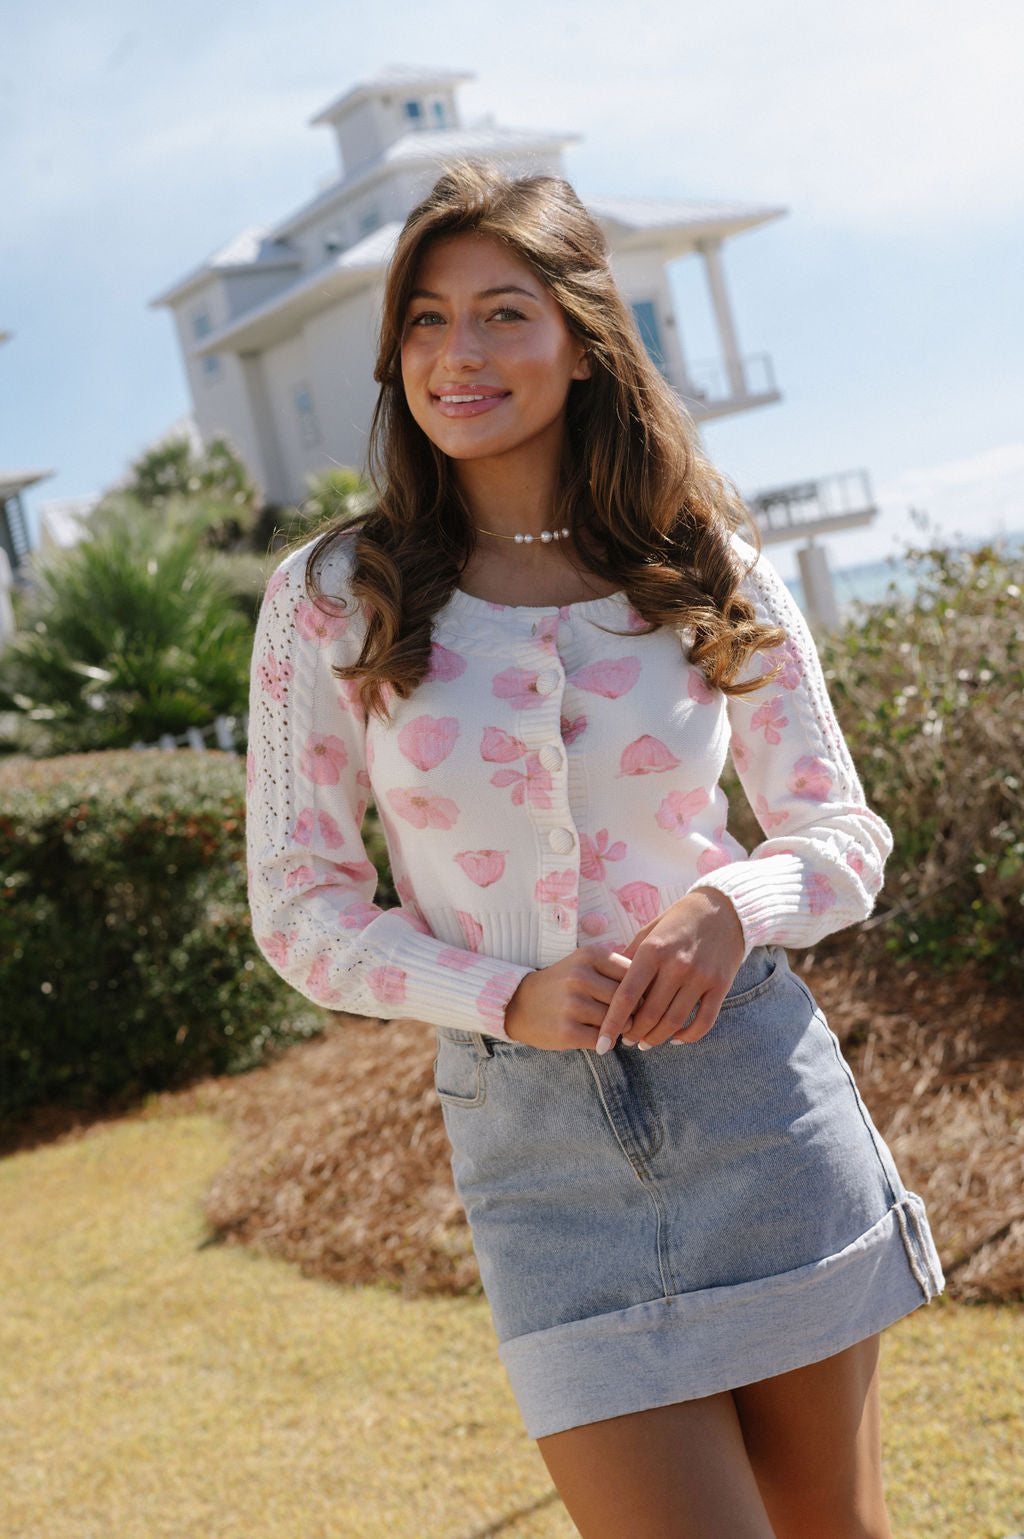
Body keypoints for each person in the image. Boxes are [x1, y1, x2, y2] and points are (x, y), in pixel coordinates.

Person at [246, 163, 943, 1539]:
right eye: (428, 319)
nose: (460, 353)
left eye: (503, 312)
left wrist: (732, 907)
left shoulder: (701, 561)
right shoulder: (333, 597)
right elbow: (302, 905)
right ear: (396, 352)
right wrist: (495, 995)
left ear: (579, 340)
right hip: (534, 1153)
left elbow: (839, 831)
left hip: (760, 1101)